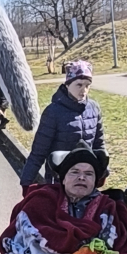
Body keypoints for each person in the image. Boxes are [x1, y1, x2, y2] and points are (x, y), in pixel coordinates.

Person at [19, 60, 105, 188]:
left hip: (85, 180)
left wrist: (103, 170)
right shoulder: (53, 112)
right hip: (58, 180)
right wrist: (26, 182)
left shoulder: (93, 108)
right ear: (67, 85)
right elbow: (38, 152)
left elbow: (99, 144)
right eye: (79, 85)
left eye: (87, 85)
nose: (84, 90)